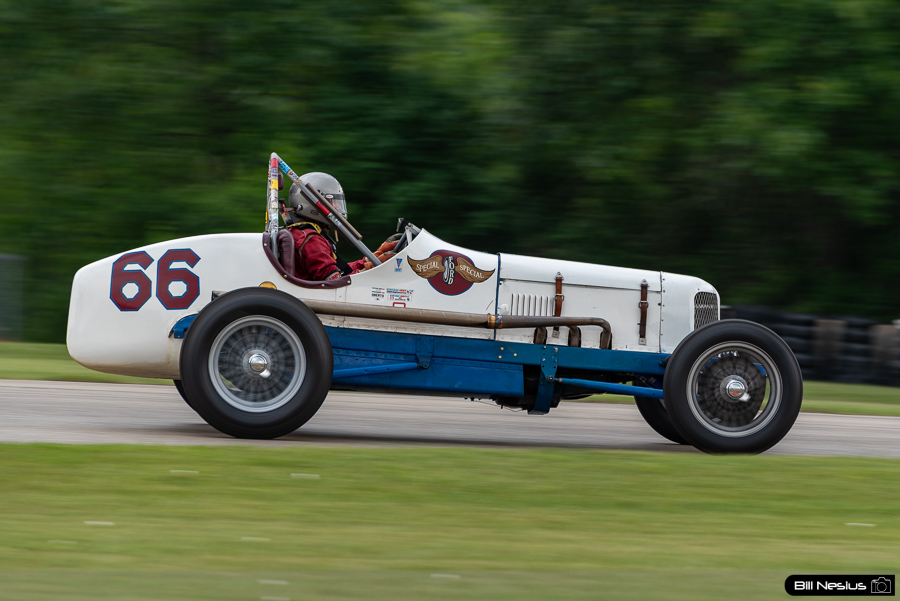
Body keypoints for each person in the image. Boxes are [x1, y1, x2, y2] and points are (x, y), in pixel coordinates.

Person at [280, 172, 397, 281]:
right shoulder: (312, 239)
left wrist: (372, 259)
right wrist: (371, 269)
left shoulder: (306, 233)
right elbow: (335, 282)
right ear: (313, 205)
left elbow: (341, 271)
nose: (338, 207)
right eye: (332, 201)